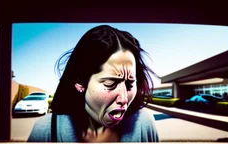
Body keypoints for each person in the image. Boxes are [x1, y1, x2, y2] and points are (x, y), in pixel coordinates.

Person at [28, 25, 159, 142]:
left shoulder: (144, 124)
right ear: (80, 82)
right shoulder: (46, 130)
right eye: (110, 83)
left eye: (130, 84)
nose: (124, 99)